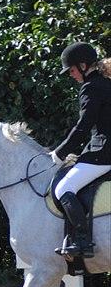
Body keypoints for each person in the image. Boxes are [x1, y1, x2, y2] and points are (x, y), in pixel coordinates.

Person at [50, 42, 111, 258]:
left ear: (83, 66)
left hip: (103, 153)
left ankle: (82, 241)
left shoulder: (91, 87)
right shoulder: (106, 83)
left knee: (63, 188)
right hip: (101, 150)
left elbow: (84, 126)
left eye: (73, 70)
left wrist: (60, 152)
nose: (72, 75)